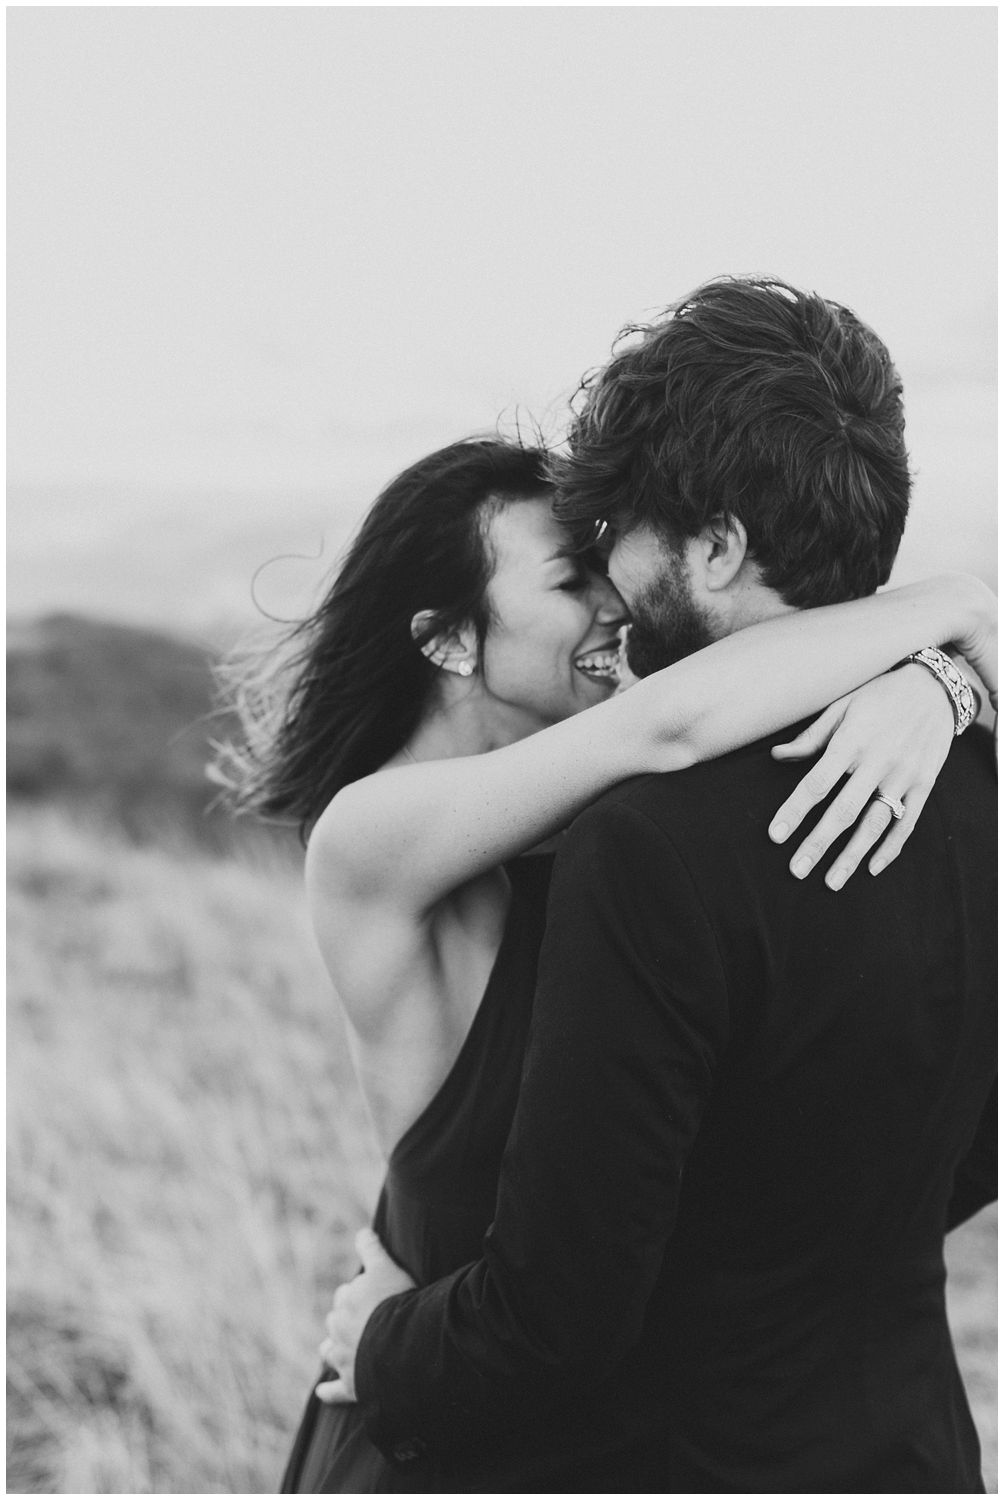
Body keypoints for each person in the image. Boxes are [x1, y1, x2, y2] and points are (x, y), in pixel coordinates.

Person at [316, 281, 998, 1493]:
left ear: (718, 544)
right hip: (851, 1444)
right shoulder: (384, 836)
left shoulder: (639, 839)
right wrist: (948, 632)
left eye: (604, 555)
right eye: (567, 576)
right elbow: (671, 729)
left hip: (553, 1413)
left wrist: (936, 677)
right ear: (445, 638)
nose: (610, 603)